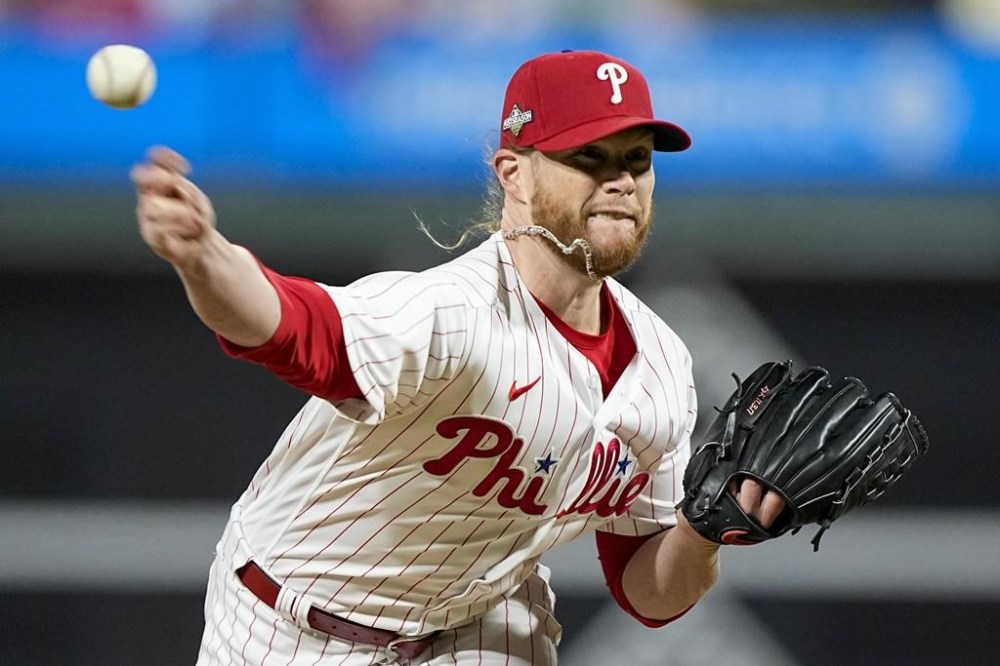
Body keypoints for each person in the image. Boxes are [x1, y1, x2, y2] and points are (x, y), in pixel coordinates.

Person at [131, 49, 784, 666]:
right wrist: (204, 257)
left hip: (480, 627)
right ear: (515, 174)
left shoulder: (663, 368)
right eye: (589, 156)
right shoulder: (453, 315)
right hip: (293, 623)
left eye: (637, 159)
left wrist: (702, 531)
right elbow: (295, 327)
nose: (620, 181)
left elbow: (648, 590)